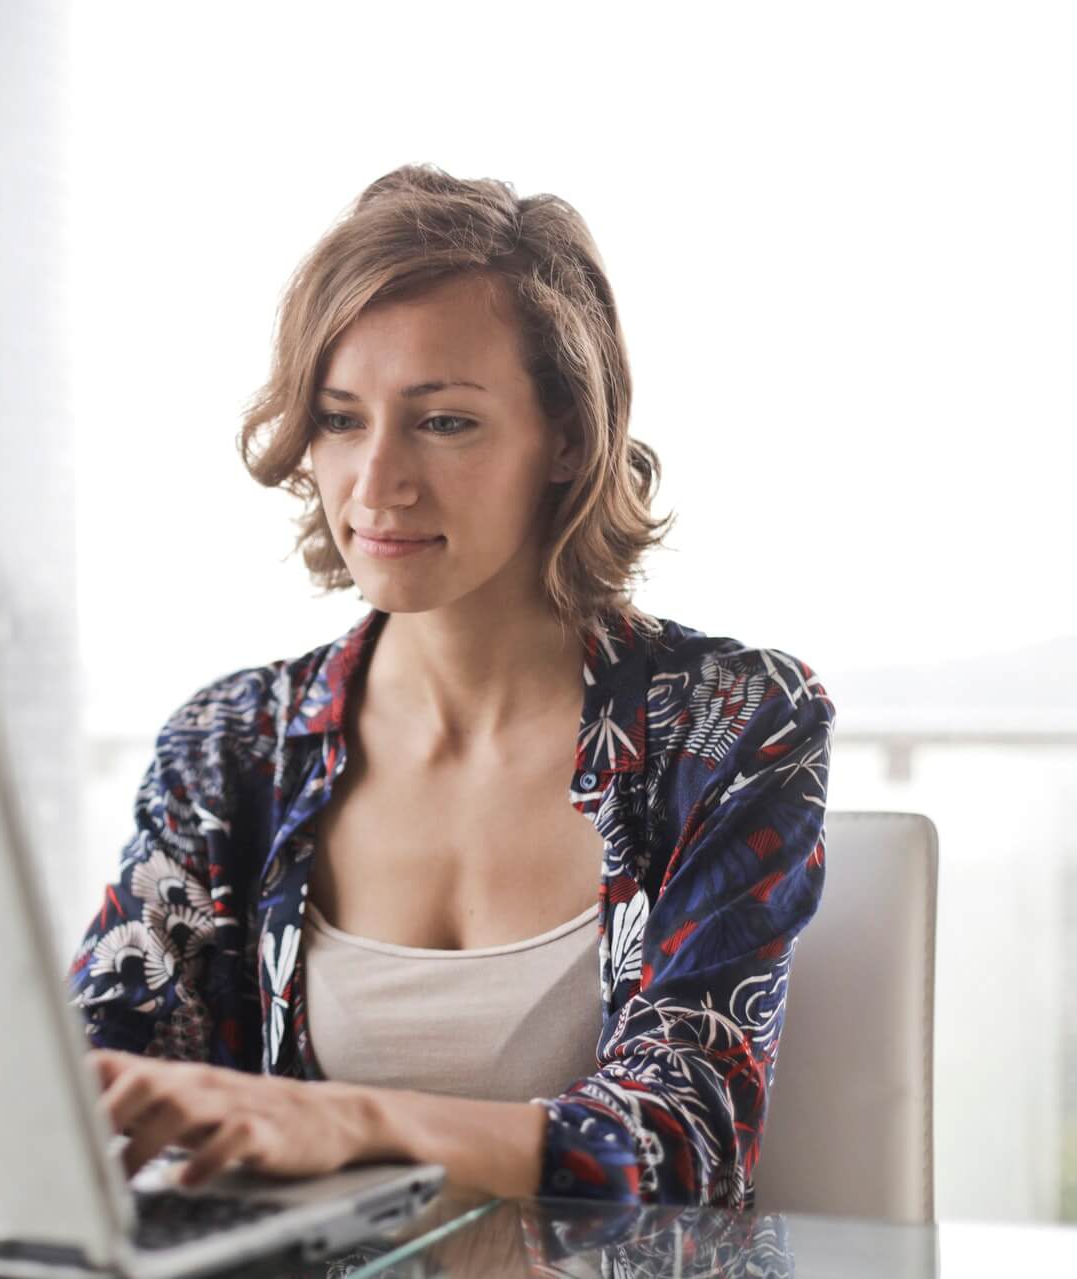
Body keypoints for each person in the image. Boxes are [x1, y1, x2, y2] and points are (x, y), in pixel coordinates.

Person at [65, 164, 833, 1208]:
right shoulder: (235, 744)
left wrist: (352, 1120)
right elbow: (90, 1087)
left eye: (445, 422)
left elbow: (688, 1140)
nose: (377, 483)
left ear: (566, 437)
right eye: (340, 419)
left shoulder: (730, 723)